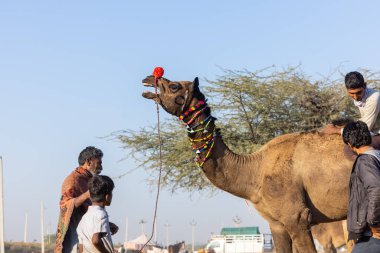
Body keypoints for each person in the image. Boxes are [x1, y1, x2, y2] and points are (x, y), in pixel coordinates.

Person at [54, 146, 104, 253]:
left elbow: (90, 210)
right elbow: (65, 205)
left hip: (86, 235)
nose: (101, 167)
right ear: (89, 162)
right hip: (73, 235)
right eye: (99, 163)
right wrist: (86, 195)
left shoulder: (89, 180)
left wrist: (106, 224)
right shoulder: (73, 180)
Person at [342, 121, 380, 252]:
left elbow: (376, 188)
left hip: (372, 234)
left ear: (349, 144)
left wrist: (374, 224)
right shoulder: (376, 156)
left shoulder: (365, 161)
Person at [324, 71, 380, 135]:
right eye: (351, 93)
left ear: (365, 85)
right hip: (374, 132)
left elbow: (365, 128)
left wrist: (336, 130)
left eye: (358, 92)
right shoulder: (361, 96)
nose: (355, 97)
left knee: (355, 142)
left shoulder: (374, 98)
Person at [77, 175, 117, 253]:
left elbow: (81, 248)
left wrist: (108, 226)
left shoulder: (84, 218)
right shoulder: (101, 214)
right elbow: (96, 240)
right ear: (107, 197)